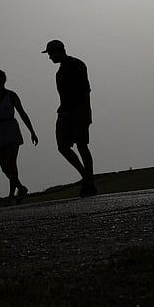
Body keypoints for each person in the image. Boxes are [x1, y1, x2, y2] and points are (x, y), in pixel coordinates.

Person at [43, 40, 97, 196]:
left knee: (82, 145)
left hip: (79, 110)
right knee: (62, 146)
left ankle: (89, 182)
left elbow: (86, 89)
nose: (50, 57)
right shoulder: (59, 72)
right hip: (64, 112)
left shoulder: (77, 65)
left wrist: (87, 111)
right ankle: (86, 177)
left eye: (51, 53)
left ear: (59, 51)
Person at [0, 69, 39, 202]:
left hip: (11, 128)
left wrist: (32, 131)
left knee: (11, 162)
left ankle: (11, 193)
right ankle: (20, 187)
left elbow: (22, 113)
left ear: (3, 80)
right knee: (3, 166)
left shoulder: (11, 95)